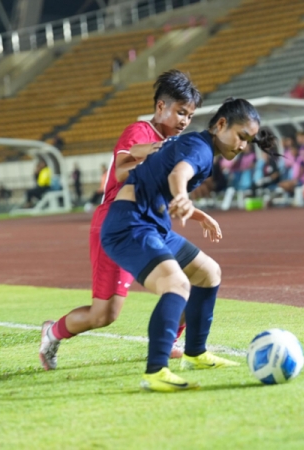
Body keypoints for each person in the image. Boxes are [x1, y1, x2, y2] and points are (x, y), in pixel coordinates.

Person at [100, 98, 276, 392]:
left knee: (208, 272)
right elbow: (177, 173)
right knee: (176, 285)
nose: (243, 145)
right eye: (241, 136)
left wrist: (195, 213)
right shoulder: (200, 150)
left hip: (151, 224)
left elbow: (162, 176)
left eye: (249, 141)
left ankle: (195, 353)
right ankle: (156, 371)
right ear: (221, 125)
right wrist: (182, 195)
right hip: (129, 226)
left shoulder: (199, 144)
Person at [39, 70, 204, 371]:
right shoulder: (139, 132)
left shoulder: (173, 146)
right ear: (160, 107)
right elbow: (119, 172)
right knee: (104, 315)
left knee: (194, 277)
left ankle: (168, 343)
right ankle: (52, 332)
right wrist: (158, 154)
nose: (184, 121)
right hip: (117, 225)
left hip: (148, 226)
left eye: (190, 116)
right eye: (180, 112)